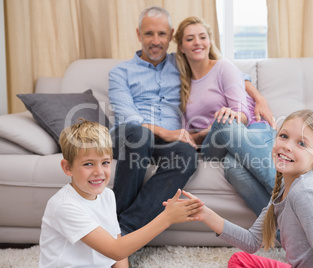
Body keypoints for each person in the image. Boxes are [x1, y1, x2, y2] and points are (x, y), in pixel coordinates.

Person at [108, 6, 272, 233]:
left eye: (162, 34)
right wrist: (168, 133)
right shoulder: (120, 72)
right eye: (148, 34)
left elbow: (230, 72)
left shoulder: (181, 61)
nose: (155, 41)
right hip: (129, 136)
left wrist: (259, 97)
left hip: (166, 144)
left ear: (171, 36)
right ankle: (112, 223)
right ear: (138, 35)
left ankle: (125, 231)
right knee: (139, 134)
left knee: (186, 154)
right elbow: (129, 117)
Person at [175, 109, 313, 267]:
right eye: (284, 136)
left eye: (301, 143)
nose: (287, 146)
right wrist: (205, 213)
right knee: (240, 260)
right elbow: (251, 241)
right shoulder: (284, 190)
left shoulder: (305, 193)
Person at [39, 119, 203, 268]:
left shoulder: (107, 195)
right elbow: (116, 250)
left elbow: (119, 248)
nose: (99, 172)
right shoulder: (64, 206)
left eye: (105, 163)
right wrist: (167, 218)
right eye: (88, 164)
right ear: (67, 167)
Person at [173, 16, 277, 215]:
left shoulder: (223, 67)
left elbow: (244, 116)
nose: (197, 42)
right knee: (224, 123)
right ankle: (290, 194)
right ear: (180, 47)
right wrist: (211, 128)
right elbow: (189, 137)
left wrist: (229, 117)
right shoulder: (183, 85)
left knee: (235, 170)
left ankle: (284, 233)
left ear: (210, 41)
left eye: (202, 37)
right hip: (215, 144)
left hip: (252, 131)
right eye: (190, 39)